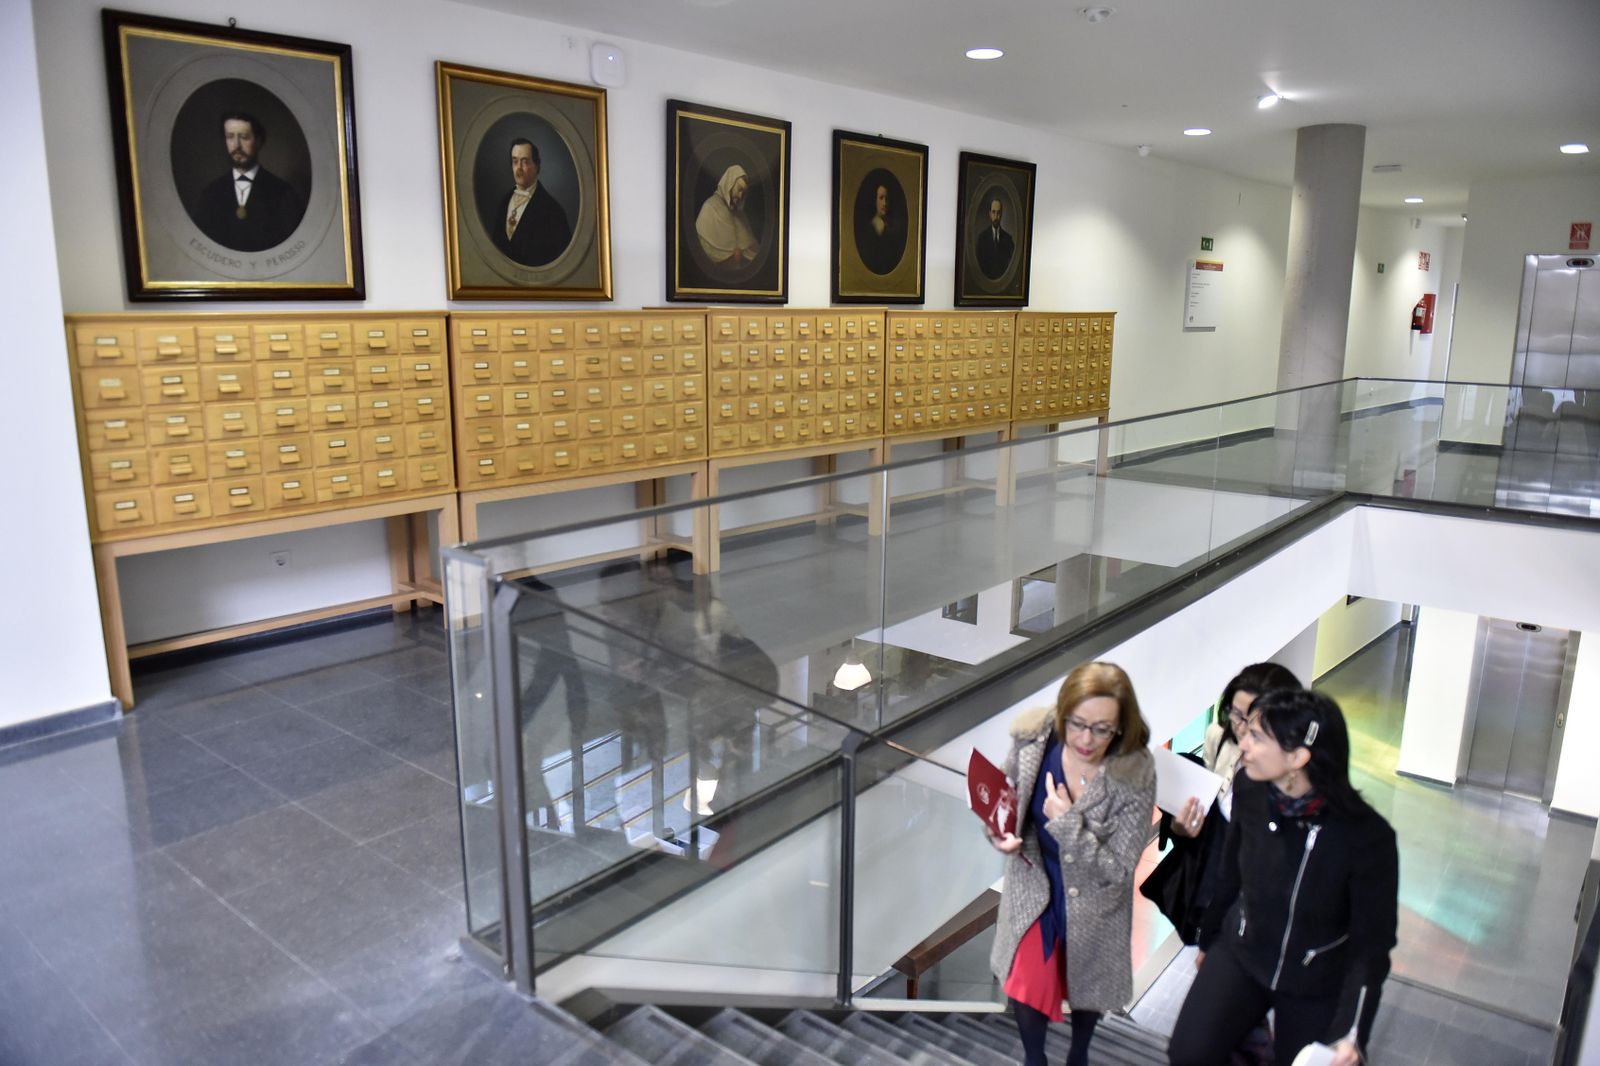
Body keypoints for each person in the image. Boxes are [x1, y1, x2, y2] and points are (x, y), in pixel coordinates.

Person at [1169, 689, 1398, 1066]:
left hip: (1317, 978)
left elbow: (1371, 946)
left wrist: (1353, 1034)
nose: (1243, 744)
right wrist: (1208, 942)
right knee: (1189, 1054)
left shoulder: (1367, 838)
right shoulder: (1249, 789)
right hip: (1243, 951)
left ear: (1297, 757)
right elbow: (1230, 875)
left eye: (1257, 737)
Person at [987, 661, 1156, 1066]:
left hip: (1096, 898)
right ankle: (1035, 1059)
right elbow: (1003, 801)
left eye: (1101, 729)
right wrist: (999, 834)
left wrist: (1067, 824)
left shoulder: (1135, 773)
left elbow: (1118, 869)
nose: (1085, 739)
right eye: (1076, 724)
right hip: (1036, 882)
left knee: (1086, 989)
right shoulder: (1034, 740)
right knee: (1028, 983)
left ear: (1121, 727)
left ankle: (1078, 1055)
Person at [193, 112, 305, 252]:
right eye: (230, 137)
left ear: (259, 141)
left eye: (244, 137)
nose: (236, 146)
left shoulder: (283, 193)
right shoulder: (211, 194)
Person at [493, 138, 573, 268]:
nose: (519, 168)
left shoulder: (553, 211)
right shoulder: (504, 202)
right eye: (515, 161)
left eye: (525, 162)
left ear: (537, 166)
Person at [695, 164, 759, 269]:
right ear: (729, 184)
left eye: (743, 193)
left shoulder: (740, 215)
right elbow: (704, 252)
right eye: (739, 189)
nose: (740, 196)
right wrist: (732, 258)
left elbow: (753, 252)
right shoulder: (709, 208)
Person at [857, 181, 905, 276]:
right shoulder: (868, 231)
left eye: (887, 199)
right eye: (881, 198)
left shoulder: (894, 228)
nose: (884, 203)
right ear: (875, 201)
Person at [975, 197, 1015, 280]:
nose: (996, 216)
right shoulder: (982, 238)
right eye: (993, 212)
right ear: (990, 214)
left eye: (998, 212)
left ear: (1002, 214)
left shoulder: (1008, 240)